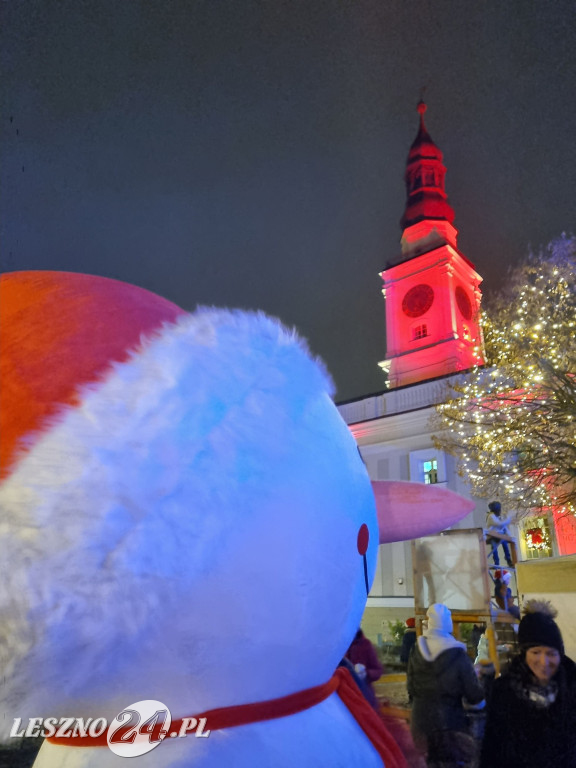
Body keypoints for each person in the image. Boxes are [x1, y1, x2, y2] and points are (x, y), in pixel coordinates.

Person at [480, 600, 576, 768]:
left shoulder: (572, 689)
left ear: (560, 654)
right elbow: (491, 749)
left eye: (551, 653)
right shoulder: (502, 692)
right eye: (536, 652)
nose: (543, 661)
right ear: (524, 653)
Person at [407, 603, 484, 767]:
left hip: (420, 722)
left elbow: (411, 688)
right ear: (447, 623)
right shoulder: (457, 654)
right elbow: (474, 695)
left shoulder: (416, 650)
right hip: (450, 723)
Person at [345, 628, 384, 709]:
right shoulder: (337, 645)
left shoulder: (365, 645)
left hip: (363, 695)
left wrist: (366, 673)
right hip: (343, 696)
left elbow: (378, 670)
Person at [485, 501, 514, 567]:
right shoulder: (491, 516)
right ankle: (496, 562)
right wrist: (508, 519)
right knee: (494, 546)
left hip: (500, 536)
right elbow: (499, 524)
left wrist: (510, 536)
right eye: (499, 509)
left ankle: (508, 560)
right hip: (492, 536)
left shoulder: (498, 517)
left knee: (504, 543)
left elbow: (504, 527)